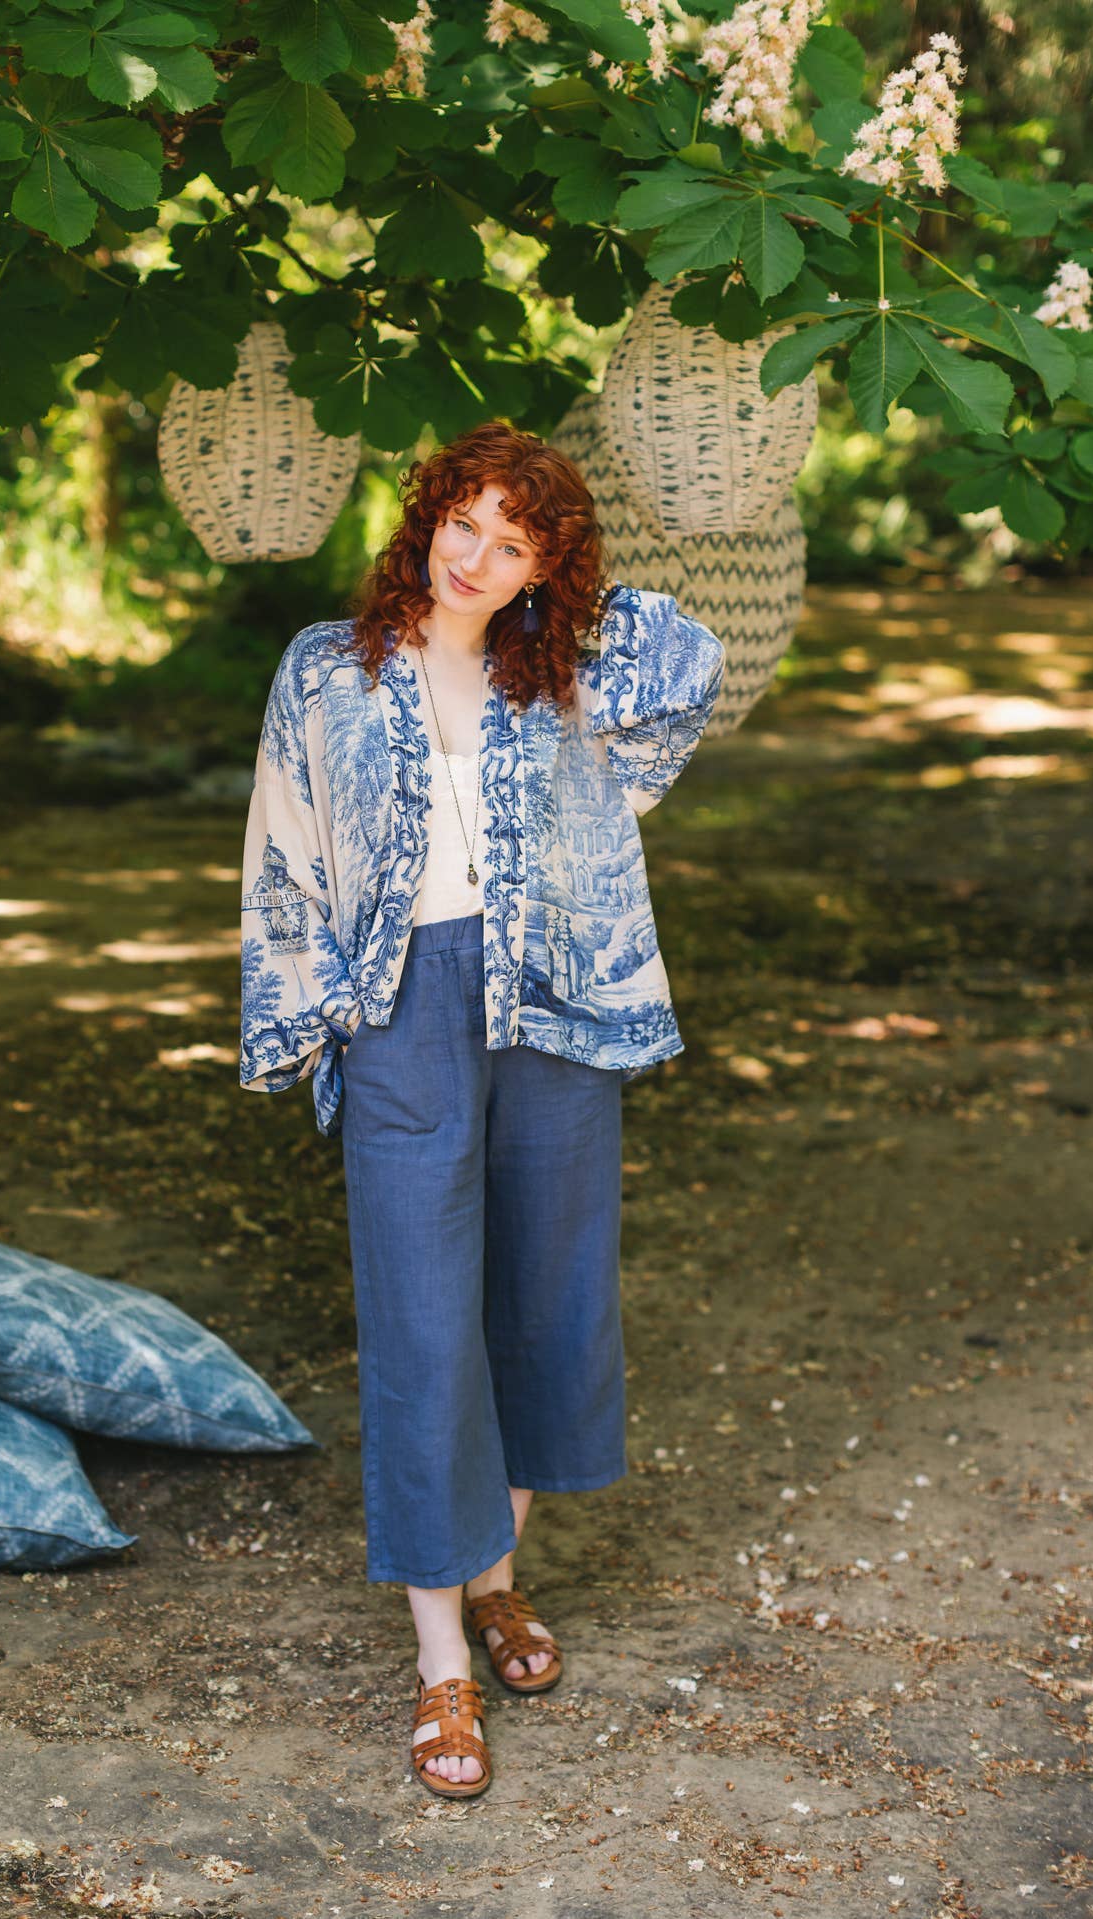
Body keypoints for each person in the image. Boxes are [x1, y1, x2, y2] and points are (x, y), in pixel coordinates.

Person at [239, 420, 726, 1798]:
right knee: (421, 1315)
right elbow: (282, 849)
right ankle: (444, 1660)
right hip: (401, 1009)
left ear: (542, 570)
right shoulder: (324, 673)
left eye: (516, 544)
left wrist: (568, 589)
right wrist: (299, 1019)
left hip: (555, 998)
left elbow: (692, 660)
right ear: (426, 516)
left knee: (550, 1297)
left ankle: (499, 1570)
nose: (478, 557)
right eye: (466, 522)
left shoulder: (557, 672)